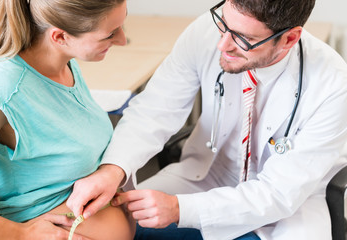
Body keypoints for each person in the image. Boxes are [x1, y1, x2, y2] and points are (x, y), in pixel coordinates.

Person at [67, 0, 347, 239]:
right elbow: (154, 109)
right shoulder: (207, 32)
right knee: (112, 225)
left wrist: (180, 210)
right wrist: (113, 169)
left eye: (243, 38)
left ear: (289, 38)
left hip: (291, 205)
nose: (222, 43)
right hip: (206, 175)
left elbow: (279, 194)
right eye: (223, 23)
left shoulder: (332, 85)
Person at [0, 0, 135, 239]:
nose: (121, 40)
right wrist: (20, 234)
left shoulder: (64, 65)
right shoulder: (2, 89)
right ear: (60, 37)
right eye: (109, 34)